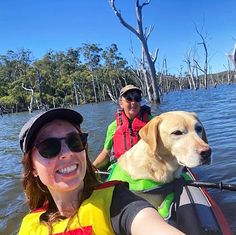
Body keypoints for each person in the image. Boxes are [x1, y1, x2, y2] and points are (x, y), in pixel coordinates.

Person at [18, 108, 184, 235]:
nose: (67, 152)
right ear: (32, 167)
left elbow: (147, 223)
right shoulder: (29, 226)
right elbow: (106, 151)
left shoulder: (117, 201)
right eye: (49, 147)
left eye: (75, 141)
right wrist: (97, 165)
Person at [93, 84, 153, 169]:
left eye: (137, 98)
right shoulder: (113, 127)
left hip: (145, 167)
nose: (133, 102)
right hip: (121, 168)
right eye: (129, 99)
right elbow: (106, 152)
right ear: (121, 103)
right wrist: (91, 168)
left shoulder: (153, 122)